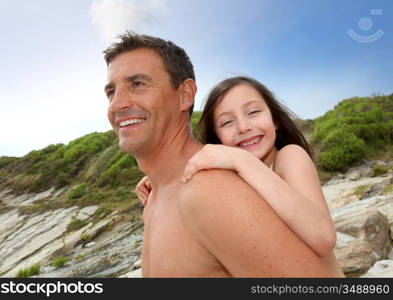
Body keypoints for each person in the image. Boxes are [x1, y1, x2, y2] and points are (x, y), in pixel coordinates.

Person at [104, 32, 341, 277]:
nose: (116, 104)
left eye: (138, 84)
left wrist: (242, 160)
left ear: (185, 94)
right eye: (111, 92)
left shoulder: (209, 189)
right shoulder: (159, 198)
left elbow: (322, 239)